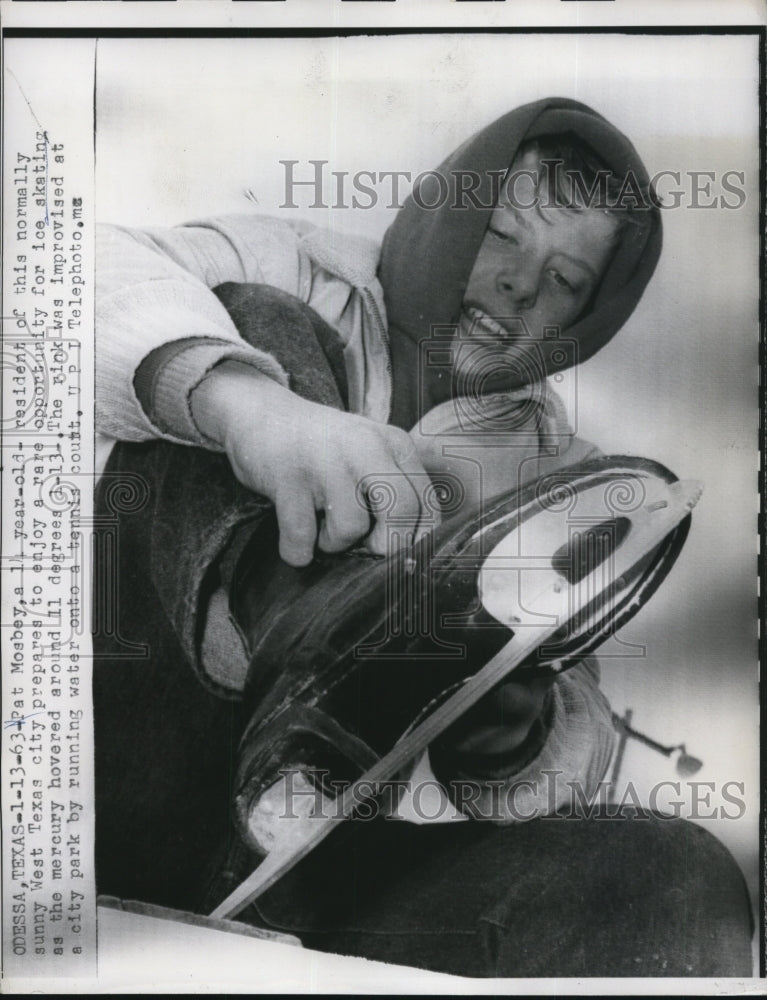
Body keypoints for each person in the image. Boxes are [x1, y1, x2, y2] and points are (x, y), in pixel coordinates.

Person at [93, 97, 752, 976]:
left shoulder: (557, 472)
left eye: (564, 280)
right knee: (254, 319)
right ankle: (305, 623)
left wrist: (515, 736)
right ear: (450, 213)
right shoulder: (291, 263)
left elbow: (577, 737)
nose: (522, 284)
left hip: (314, 878)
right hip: (134, 783)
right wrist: (250, 406)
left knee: (672, 873)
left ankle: (332, 727)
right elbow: (49, 282)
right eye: (502, 236)